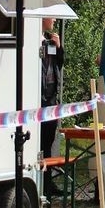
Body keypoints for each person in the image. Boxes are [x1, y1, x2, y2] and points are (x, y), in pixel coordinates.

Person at [39, 18, 65, 197]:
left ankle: (48, 184)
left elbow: (60, 65)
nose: (55, 19)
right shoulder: (34, 40)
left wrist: (59, 47)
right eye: (52, 16)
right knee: (37, 143)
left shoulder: (50, 41)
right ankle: (40, 183)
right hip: (37, 101)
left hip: (51, 100)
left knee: (47, 143)